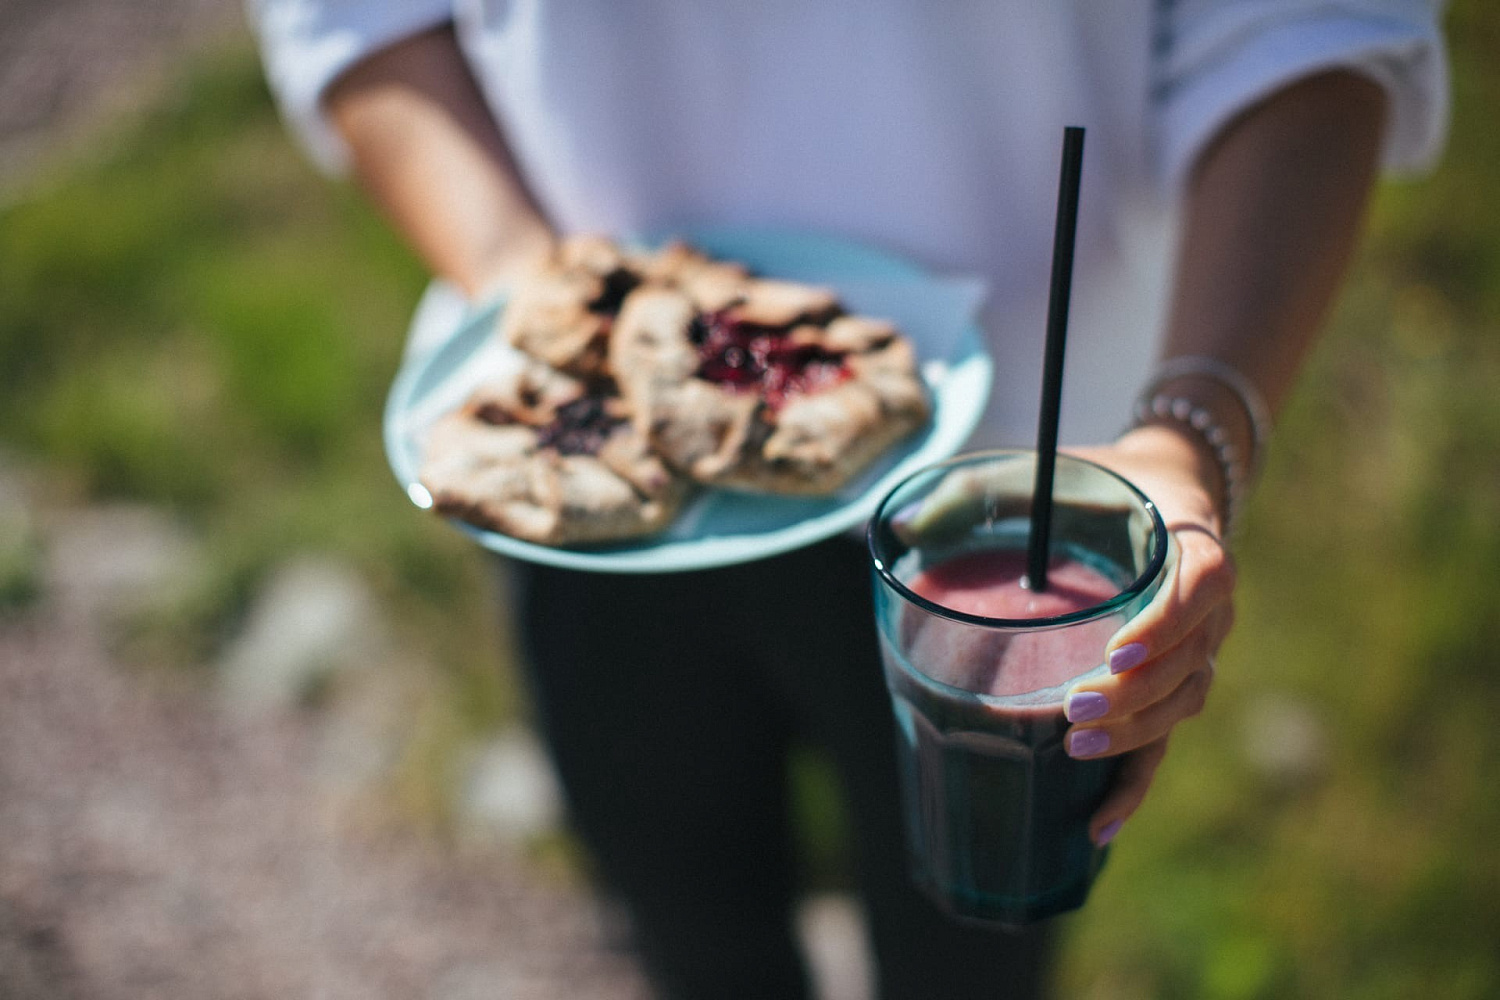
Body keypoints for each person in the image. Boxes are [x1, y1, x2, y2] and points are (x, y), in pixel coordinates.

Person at [249, 3, 1448, 997]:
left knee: (976, 960)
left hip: (1013, 495)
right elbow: (357, 17)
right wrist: (537, 289)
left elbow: (1310, 34)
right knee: (689, 938)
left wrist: (1192, 435)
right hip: (596, 491)